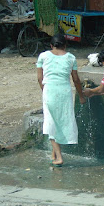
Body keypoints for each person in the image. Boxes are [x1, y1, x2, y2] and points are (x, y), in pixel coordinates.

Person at [37, 34, 86, 167]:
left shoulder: (43, 56)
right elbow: (76, 80)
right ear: (65, 45)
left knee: (51, 122)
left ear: (51, 45)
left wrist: (45, 91)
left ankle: (59, 157)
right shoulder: (71, 57)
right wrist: (81, 96)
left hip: (50, 91)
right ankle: (54, 153)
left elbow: (39, 78)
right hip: (65, 92)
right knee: (61, 120)